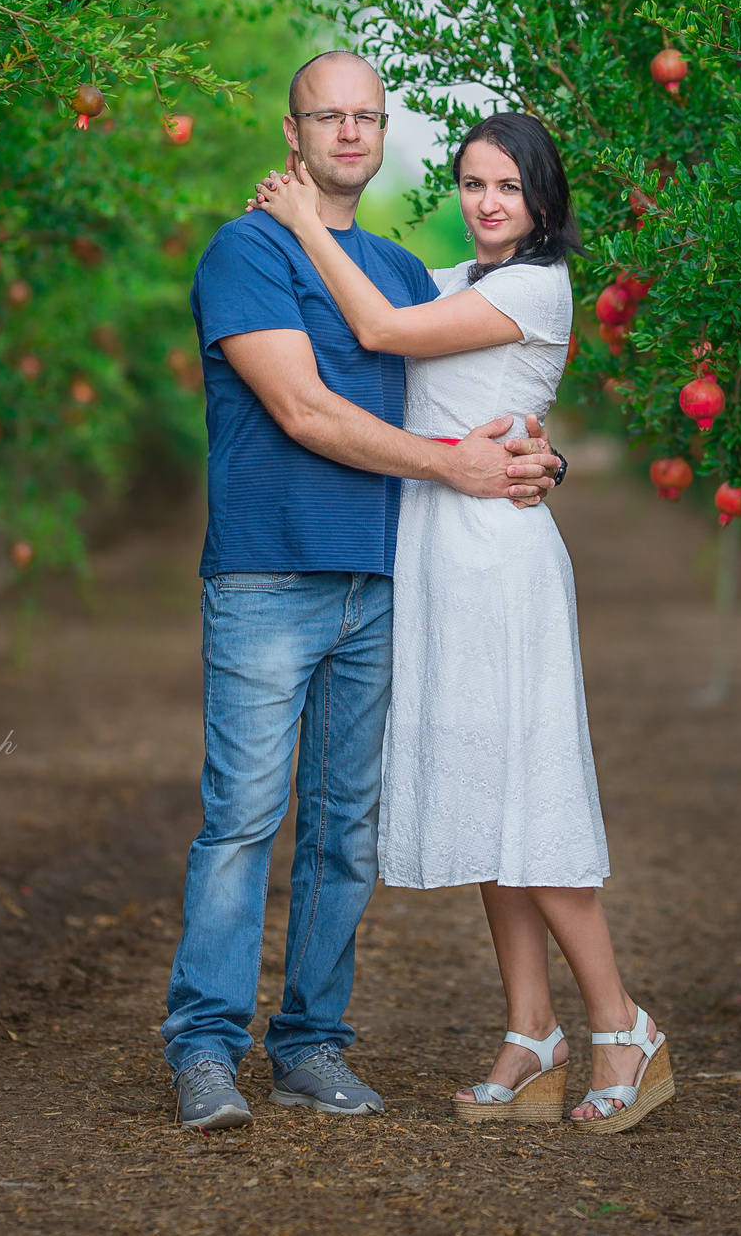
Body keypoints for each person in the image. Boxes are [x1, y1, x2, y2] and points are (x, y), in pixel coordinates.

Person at [249, 109, 671, 1136]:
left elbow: (380, 330)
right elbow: (381, 301)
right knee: (487, 802)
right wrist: (298, 232)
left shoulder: (532, 285)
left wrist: (304, 220)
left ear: (541, 203)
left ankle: (622, 1024)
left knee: (529, 799)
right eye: (473, 183)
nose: (487, 203)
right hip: (438, 552)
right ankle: (531, 1034)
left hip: (498, 559)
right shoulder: (461, 281)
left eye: (508, 188)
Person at [163, 51, 561, 1132]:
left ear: (383, 135)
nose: (347, 132)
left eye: (366, 116)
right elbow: (304, 410)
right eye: (326, 115)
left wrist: (536, 455)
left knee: (345, 830)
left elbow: (482, 373)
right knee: (242, 819)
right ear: (290, 134)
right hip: (267, 574)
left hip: (383, 582)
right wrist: (456, 466)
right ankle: (204, 1047)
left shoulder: (395, 269)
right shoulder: (245, 250)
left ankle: (308, 1044)